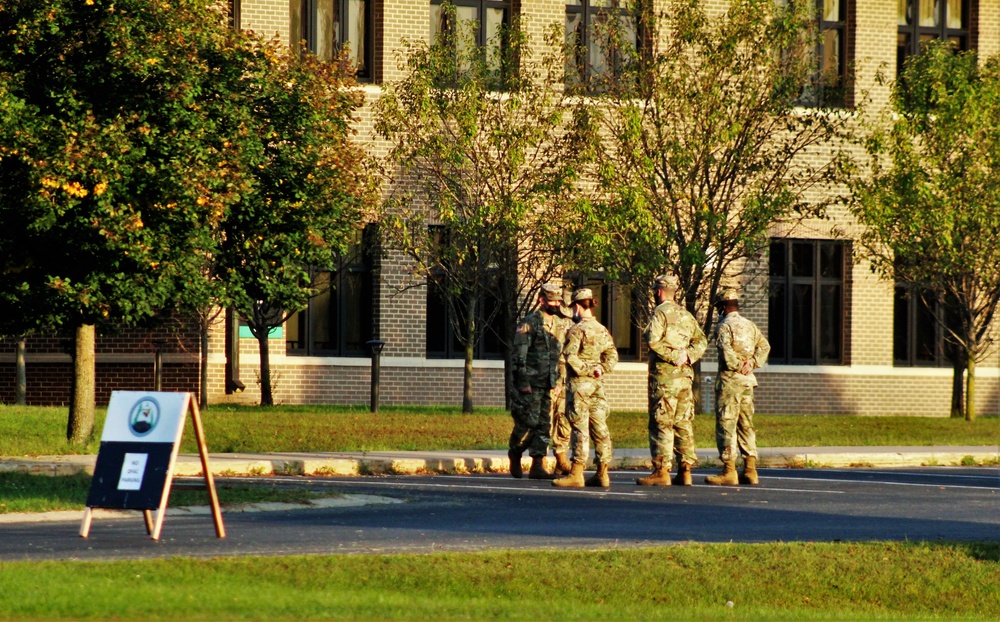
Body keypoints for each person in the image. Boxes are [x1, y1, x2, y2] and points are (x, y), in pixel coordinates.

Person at [636, 274, 707, 487]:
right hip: (685, 378)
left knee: (662, 423)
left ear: (658, 292)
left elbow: (652, 341)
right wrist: (688, 356)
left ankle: (661, 470)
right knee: (683, 423)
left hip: (665, 378)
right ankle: (685, 470)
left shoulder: (659, 313)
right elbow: (701, 340)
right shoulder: (686, 315)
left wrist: (673, 356)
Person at [553, 288, 619, 488]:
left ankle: (577, 472)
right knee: (600, 428)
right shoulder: (601, 329)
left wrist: (587, 370)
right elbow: (612, 355)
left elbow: (569, 356)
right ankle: (602, 472)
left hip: (580, 386)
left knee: (580, 428)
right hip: (598, 386)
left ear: (577, 306)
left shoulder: (576, 330)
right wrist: (600, 368)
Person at [706, 288, 770, 486]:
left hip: (730, 382)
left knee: (727, 423)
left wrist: (737, 366)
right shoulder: (749, 325)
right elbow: (765, 346)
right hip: (747, 382)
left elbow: (726, 353)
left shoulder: (724, 326)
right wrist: (751, 364)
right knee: (745, 424)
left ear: (723, 307)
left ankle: (729, 471)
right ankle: (750, 470)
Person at [509, 283, 567, 479]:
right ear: (542, 300)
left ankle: (537, 465)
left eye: (558, 301)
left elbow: (561, 357)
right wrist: (523, 382)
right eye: (552, 300)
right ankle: (515, 452)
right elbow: (519, 356)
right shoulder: (529, 323)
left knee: (544, 424)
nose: (555, 304)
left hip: (549, 383)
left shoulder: (559, 325)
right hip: (531, 384)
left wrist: (559, 382)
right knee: (528, 423)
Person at [548, 287, 576, 475]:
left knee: (564, 419)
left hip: (569, 377)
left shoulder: (575, 324)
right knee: (547, 419)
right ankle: (539, 459)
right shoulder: (553, 323)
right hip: (553, 376)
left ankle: (561, 459)